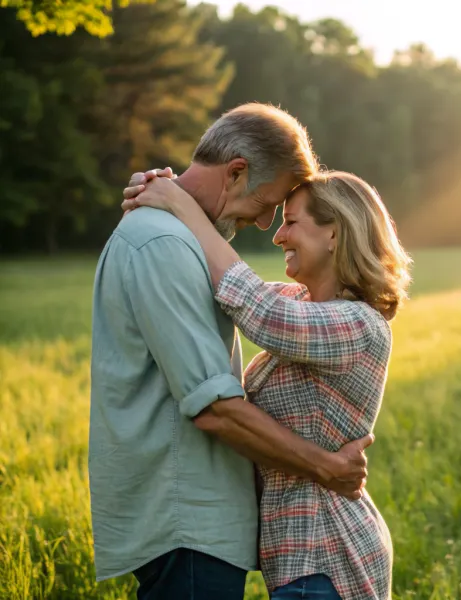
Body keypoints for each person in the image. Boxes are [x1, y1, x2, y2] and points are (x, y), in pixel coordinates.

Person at [90, 103, 373, 600]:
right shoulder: (163, 242)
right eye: (270, 203)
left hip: (196, 516)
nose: (268, 224)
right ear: (237, 172)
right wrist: (326, 466)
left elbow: (255, 298)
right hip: (186, 514)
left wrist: (175, 196)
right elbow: (217, 409)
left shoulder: (176, 236)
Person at [121, 168, 411, 600]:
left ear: (335, 234)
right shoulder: (302, 304)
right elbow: (217, 285)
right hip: (300, 560)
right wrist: (165, 191)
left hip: (327, 554)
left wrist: (180, 205)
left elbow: (256, 307)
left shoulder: (358, 324)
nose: (279, 237)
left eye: (291, 223)